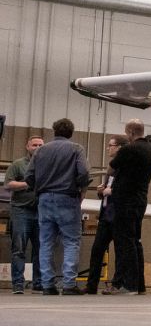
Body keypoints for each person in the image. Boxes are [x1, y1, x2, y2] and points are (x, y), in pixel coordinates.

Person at [25, 119, 89, 295]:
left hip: (44, 199)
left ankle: (47, 285)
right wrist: (79, 188)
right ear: (71, 132)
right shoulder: (76, 149)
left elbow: (29, 176)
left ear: (54, 131)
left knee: (45, 242)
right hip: (68, 198)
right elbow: (83, 173)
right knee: (71, 241)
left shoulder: (40, 151)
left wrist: (37, 189)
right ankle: (68, 284)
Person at [108, 119, 151, 295]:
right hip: (140, 199)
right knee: (136, 241)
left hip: (125, 200)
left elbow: (111, 169)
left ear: (129, 132)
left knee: (124, 242)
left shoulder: (129, 149)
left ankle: (129, 284)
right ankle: (139, 284)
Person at [85, 134, 128, 294]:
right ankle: (91, 285)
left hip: (118, 215)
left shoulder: (126, 167)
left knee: (120, 250)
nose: (108, 148)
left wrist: (112, 191)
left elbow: (127, 190)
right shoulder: (110, 167)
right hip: (105, 215)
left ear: (120, 148)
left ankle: (117, 284)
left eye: (111, 145)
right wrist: (101, 191)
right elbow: (107, 190)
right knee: (97, 250)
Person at [5, 136, 44, 294]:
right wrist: (28, 184)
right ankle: (18, 285)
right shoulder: (18, 164)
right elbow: (8, 184)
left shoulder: (47, 166)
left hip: (41, 212)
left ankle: (38, 283)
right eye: (34, 145)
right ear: (27, 147)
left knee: (40, 249)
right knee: (19, 249)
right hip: (21, 211)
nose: (37, 147)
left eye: (41, 145)